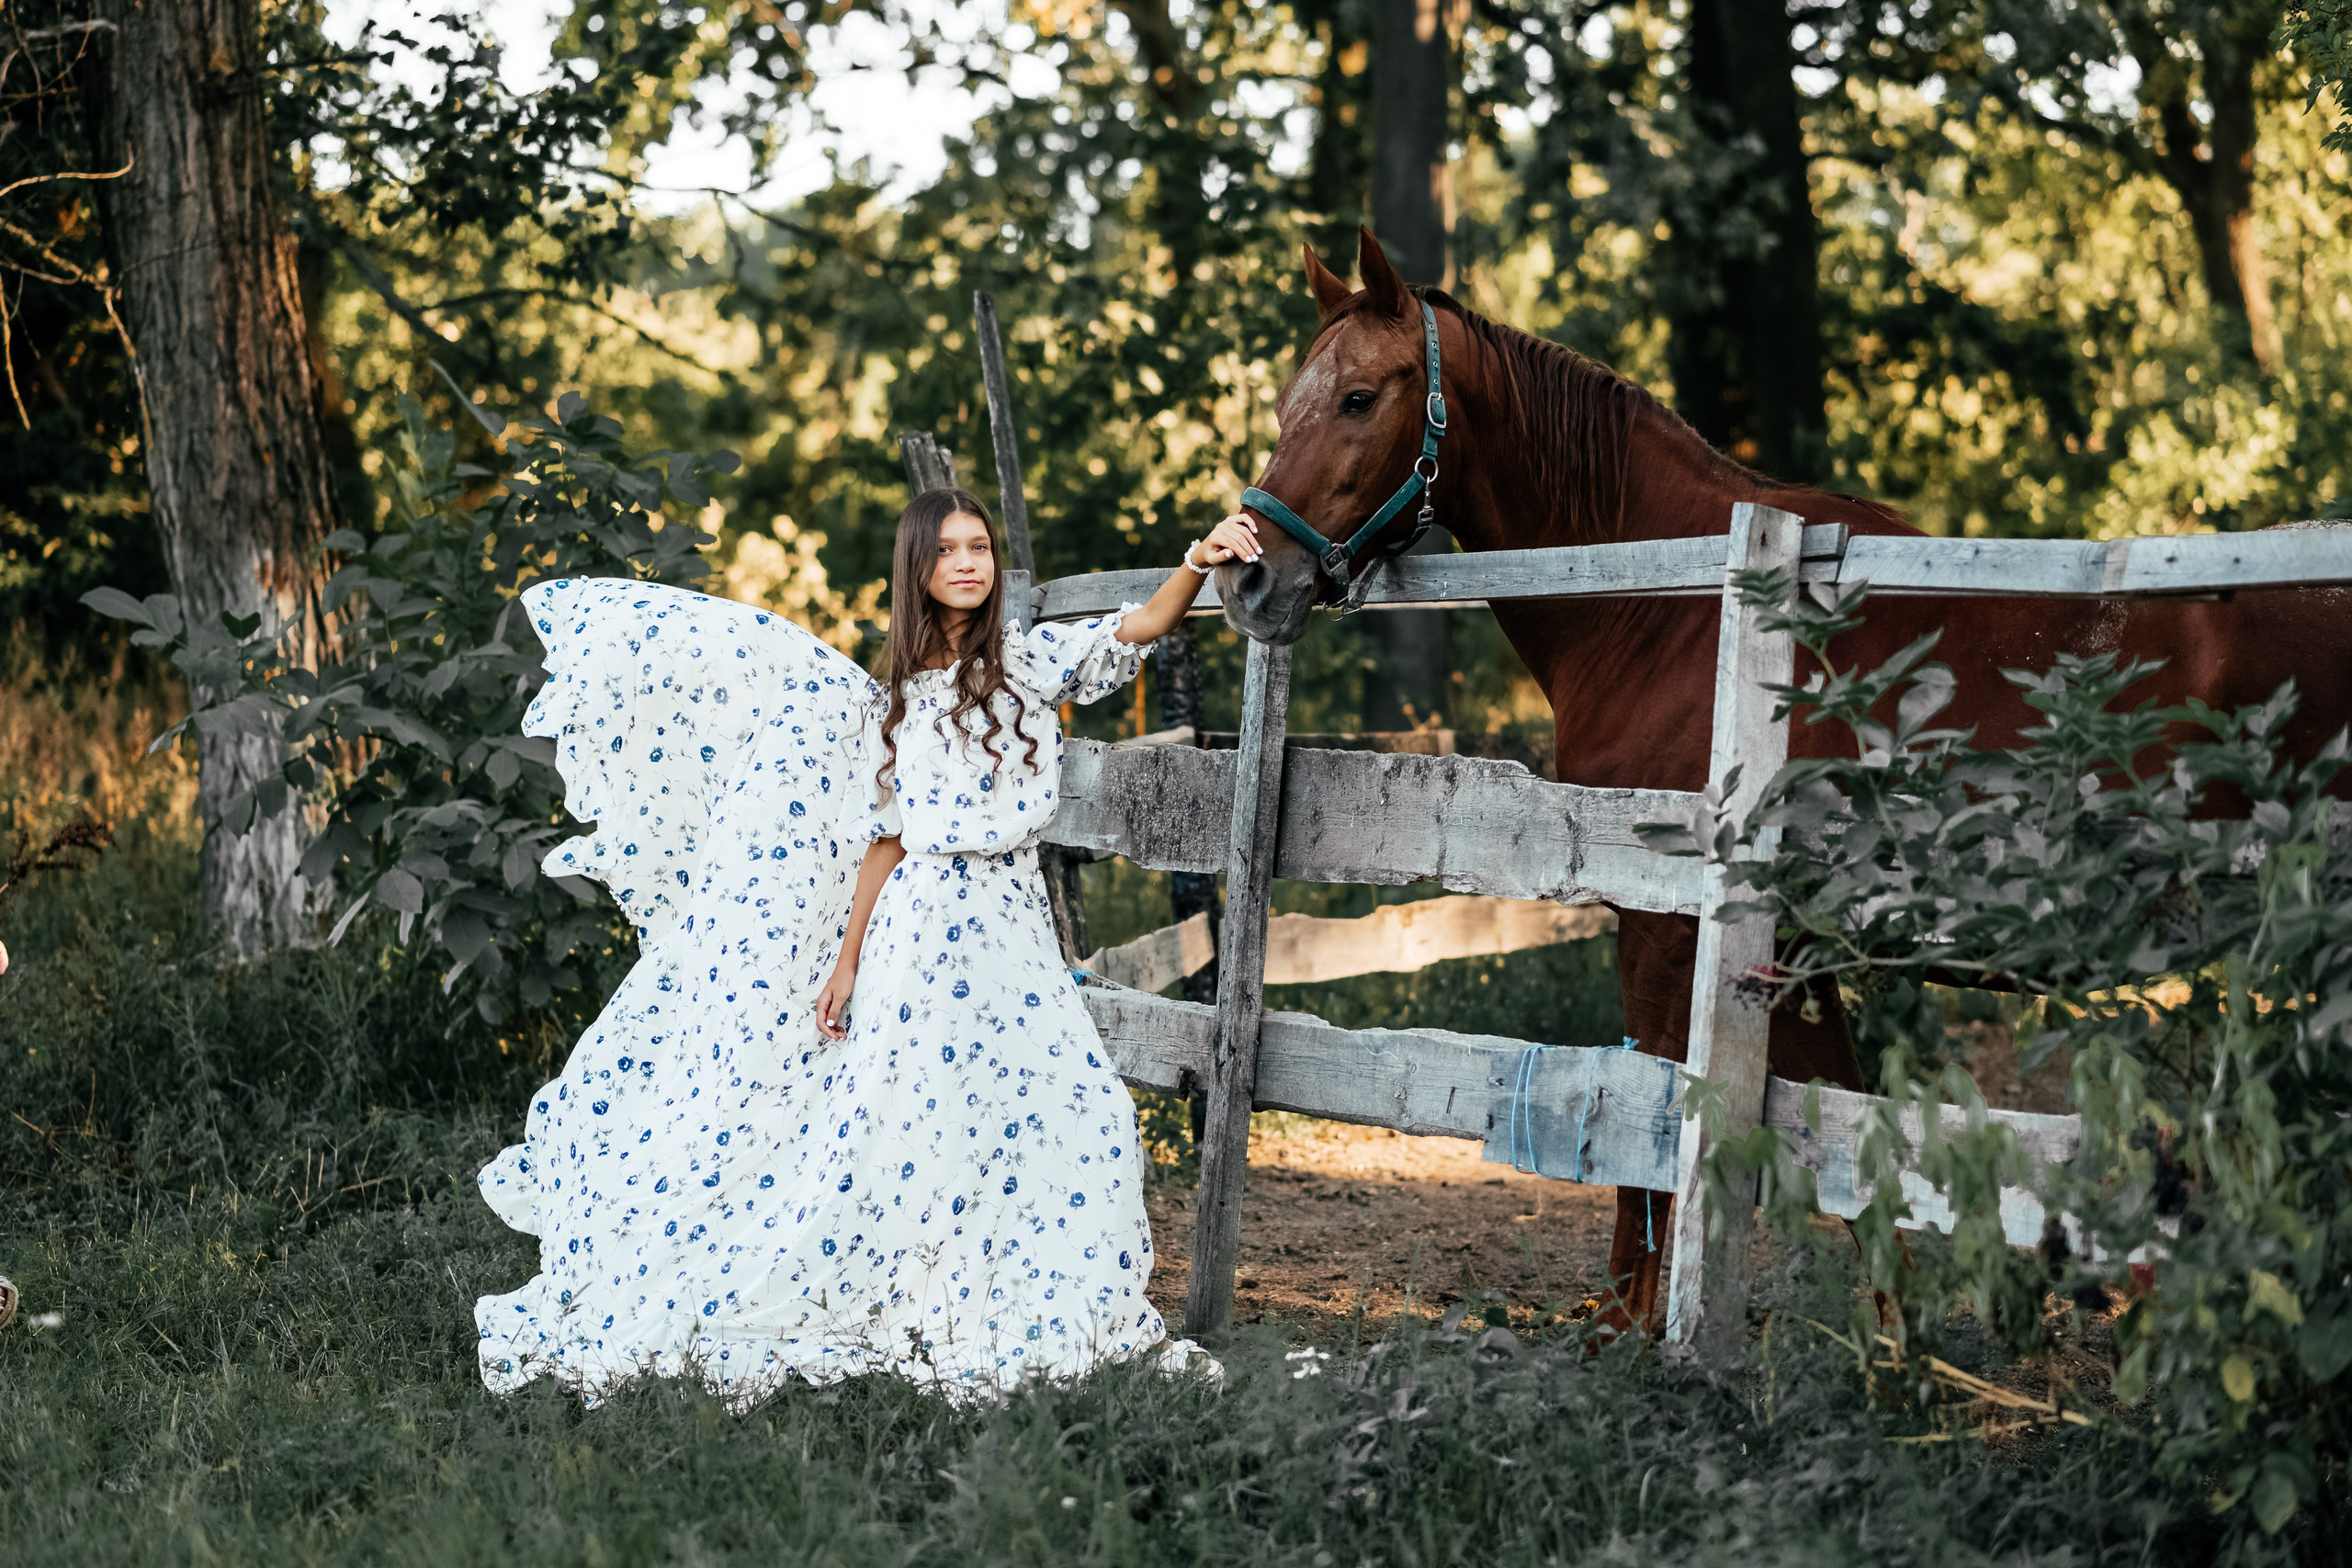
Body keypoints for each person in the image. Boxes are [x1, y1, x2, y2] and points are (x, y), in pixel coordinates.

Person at [475, 489, 1263, 1406]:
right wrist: (847, 963)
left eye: (980, 548)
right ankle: (930, 1295)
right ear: (919, 569)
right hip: (920, 929)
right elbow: (882, 840)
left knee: (1070, 1102)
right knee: (924, 1121)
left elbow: (1139, 627)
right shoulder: (895, 698)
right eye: (948, 551)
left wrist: (1199, 560)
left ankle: (1043, 1294)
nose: (968, 563)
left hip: (1008, 917)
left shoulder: (1026, 658)